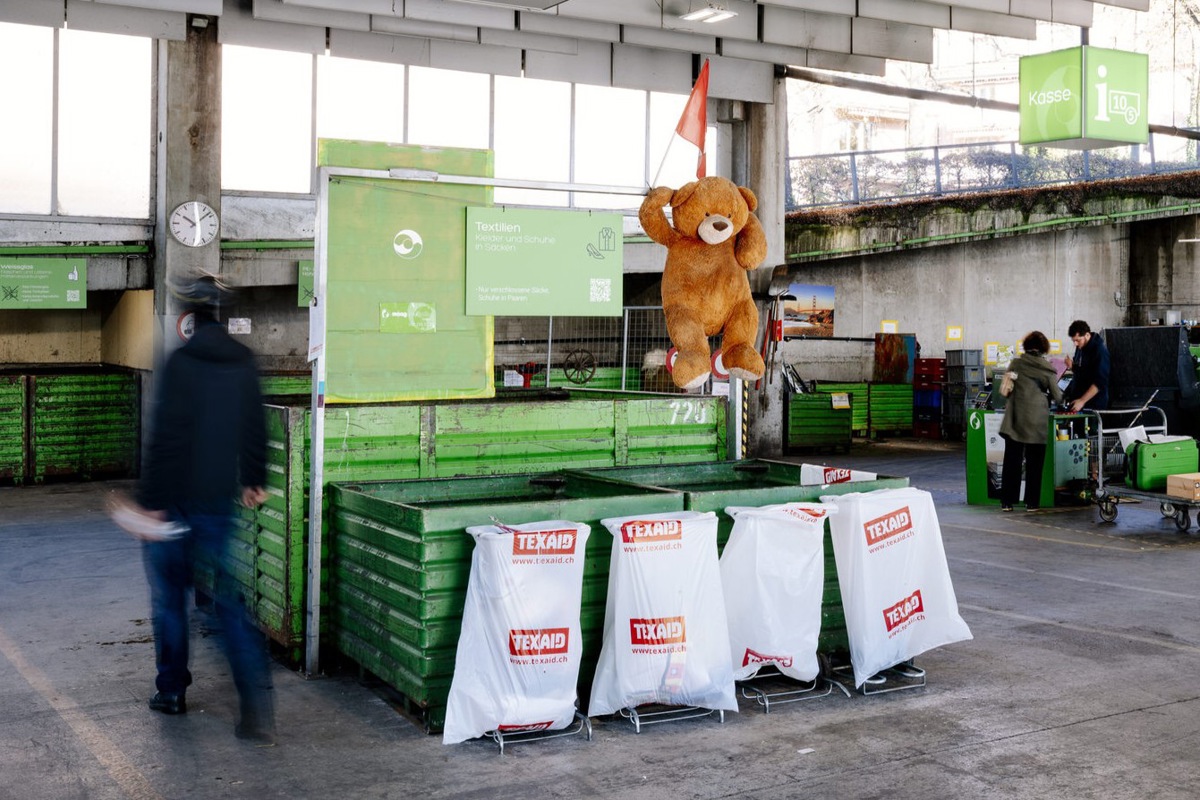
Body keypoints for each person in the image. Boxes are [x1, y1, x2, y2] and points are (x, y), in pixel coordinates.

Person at [135, 273, 275, 742]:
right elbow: (256, 426)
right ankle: (255, 704)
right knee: (226, 604)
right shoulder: (243, 361)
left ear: (187, 315)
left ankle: (171, 691)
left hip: (175, 504)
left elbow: (165, 438)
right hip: (218, 501)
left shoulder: (181, 364)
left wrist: (152, 503)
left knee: (170, 600)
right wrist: (255, 478)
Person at [999, 331, 1063, 512]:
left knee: (1012, 461)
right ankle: (1031, 503)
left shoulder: (1016, 363)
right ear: (1043, 348)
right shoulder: (1047, 368)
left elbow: (1005, 389)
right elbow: (1058, 397)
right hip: (1036, 422)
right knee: (1035, 464)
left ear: (1026, 346)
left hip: (1015, 420)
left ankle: (1007, 502)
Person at [1063, 320, 1110, 413]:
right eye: (1074, 341)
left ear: (1087, 335)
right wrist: (1072, 366)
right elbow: (1084, 372)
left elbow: (1100, 382)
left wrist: (1082, 400)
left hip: (1093, 404)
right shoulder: (1080, 348)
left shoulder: (1099, 351)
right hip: (1079, 402)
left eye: (1078, 340)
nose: (1075, 344)